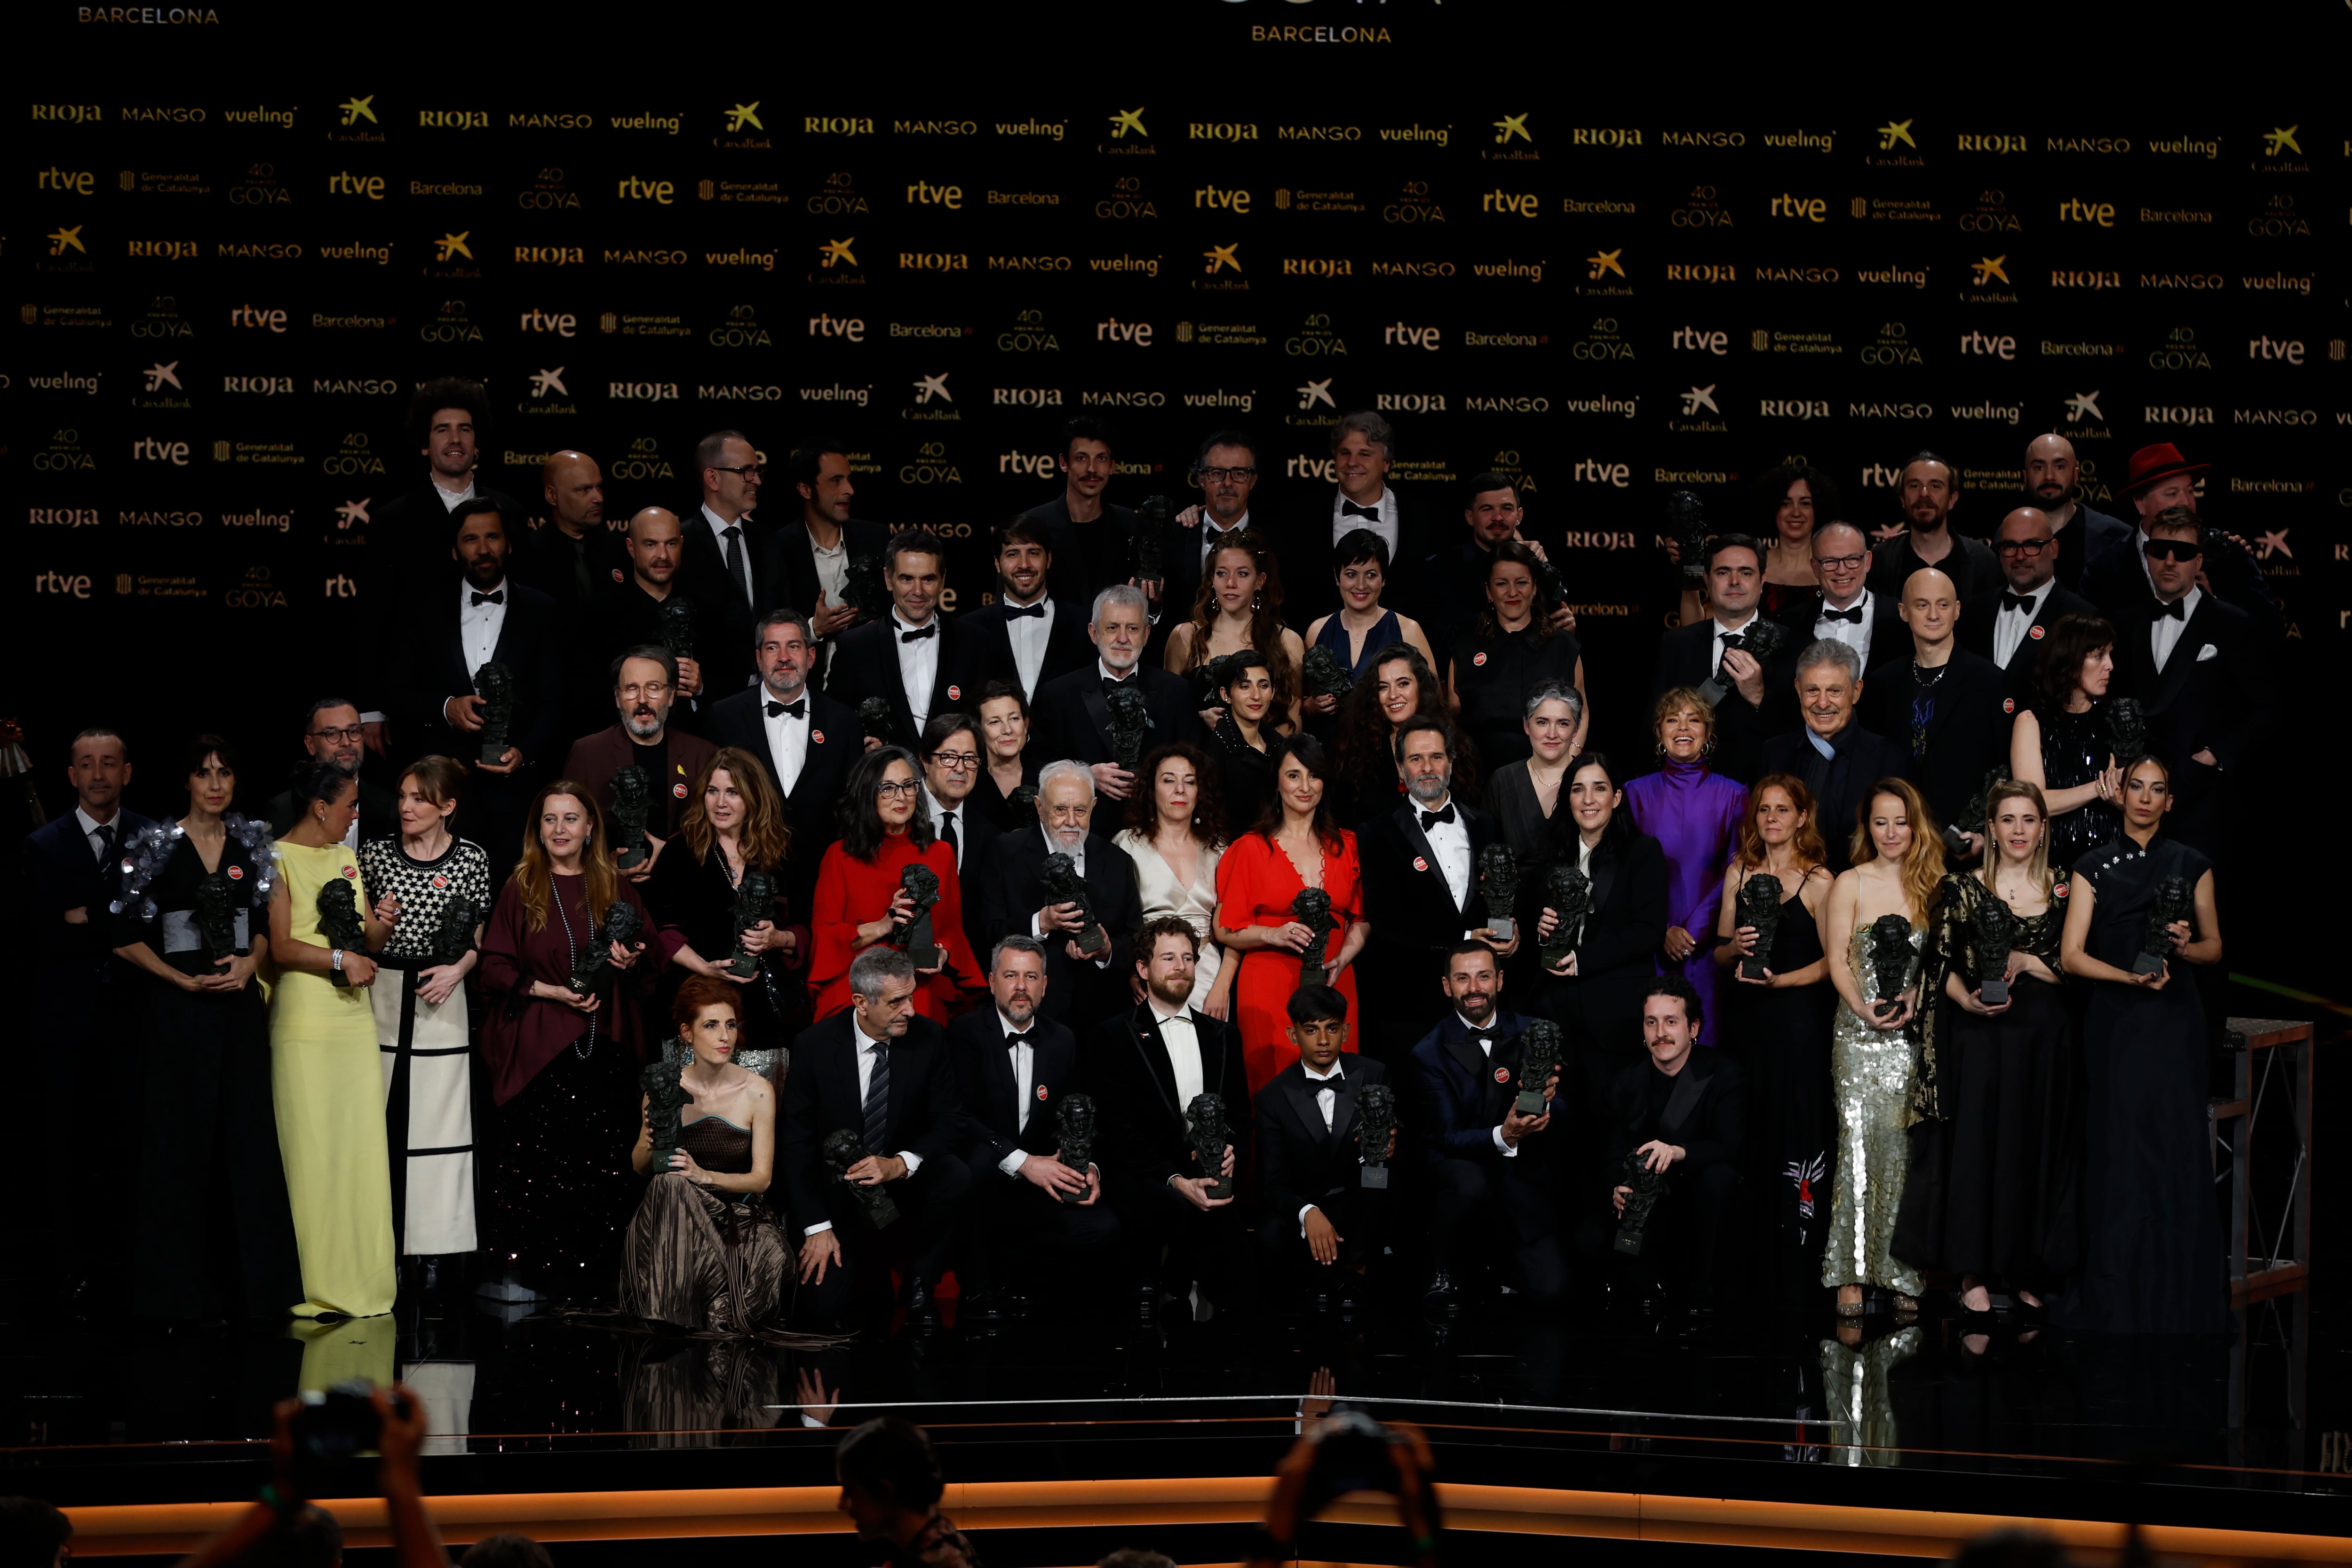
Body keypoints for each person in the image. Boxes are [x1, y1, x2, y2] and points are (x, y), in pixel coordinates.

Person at [110, 735, 298, 1322]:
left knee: (246, 1145)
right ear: (186, 782)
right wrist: (176, 978)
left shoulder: (251, 844)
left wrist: (250, 962)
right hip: (177, 1013)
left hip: (238, 1012)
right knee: (177, 1147)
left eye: (224, 773)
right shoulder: (156, 847)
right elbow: (120, 935)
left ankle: (256, 1293)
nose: (215, 784)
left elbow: (267, 923)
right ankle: (174, 1294)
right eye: (203, 773)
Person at [1894, 781, 2080, 1318]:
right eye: (2007, 820)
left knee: (2033, 1149)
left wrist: (2028, 963)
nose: (2018, 830)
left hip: (2046, 1045)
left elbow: (2082, 965)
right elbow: (1937, 966)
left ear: (2042, 828)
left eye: (2027, 820)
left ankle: (2025, 1270)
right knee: (1978, 1149)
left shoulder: (2066, 885)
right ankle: (1971, 1272)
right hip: (1980, 1039)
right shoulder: (1959, 887)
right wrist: (1967, 1003)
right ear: (1991, 830)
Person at [477, 782, 668, 1298]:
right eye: (549, 819)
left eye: (570, 819)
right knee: (541, 1171)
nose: (559, 830)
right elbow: (493, 965)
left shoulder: (615, 887)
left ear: (590, 829)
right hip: (540, 1048)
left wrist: (630, 958)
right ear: (537, 829)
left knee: (600, 1168)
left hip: (604, 1045)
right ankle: (534, 1280)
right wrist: (551, 991)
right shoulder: (522, 887)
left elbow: (650, 957)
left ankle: (596, 1280)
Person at [2056, 756, 2226, 1334]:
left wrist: (2181, 946)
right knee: (2119, 1147)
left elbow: (2213, 950)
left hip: (2175, 1022)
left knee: (2174, 1146)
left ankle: (2175, 1291)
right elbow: (2071, 955)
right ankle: (2115, 1293)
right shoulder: (2091, 865)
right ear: (2120, 794)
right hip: (2116, 1020)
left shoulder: (2191, 864)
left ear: (2170, 801)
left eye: (2157, 789)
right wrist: (2126, 978)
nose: (2145, 798)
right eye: (2136, 787)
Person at [24, 726, 154, 1299]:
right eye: (87, 764)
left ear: (127, 772)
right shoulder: (42, 845)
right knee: (69, 1146)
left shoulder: (155, 837)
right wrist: (105, 920)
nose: (99, 774)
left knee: (139, 1145)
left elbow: (159, 924)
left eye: (110, 764)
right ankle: (72, 1266)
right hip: (67, 1024)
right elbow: (36, 933)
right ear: (72, 775)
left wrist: (86, 917)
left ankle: (137, 1265)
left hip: (142, 1018)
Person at [268, 760, 398, 1318]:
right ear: (321, 807)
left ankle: (368, 1284)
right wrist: (342, 957)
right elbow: (280, 947)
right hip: (306, 1021)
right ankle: (320, 1283)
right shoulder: (276, 857)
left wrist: (382, 924)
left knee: (361, 1148)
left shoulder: (346, 858)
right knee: (315, 1152)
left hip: (352, 1020)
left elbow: (365, 934)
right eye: (349, 805)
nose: (355, 815)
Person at [783, 948, 971, 1325]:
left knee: (956, 1174)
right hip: (841, 1200)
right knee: (823, 1312)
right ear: (861, 1003)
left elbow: (950, 1121)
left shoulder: (929, 1037)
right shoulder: (815, 1047)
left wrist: (900, 1164)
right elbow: (795, 1142)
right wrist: (817, 1228)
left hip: (904, 1193)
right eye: (897, 1001)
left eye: (911, 997)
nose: (911, 1010)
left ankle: (920, 1279)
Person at [357, 756, 493, 1272]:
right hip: (383, 993)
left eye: (419, 798)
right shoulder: (375, 855)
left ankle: (436, 1251)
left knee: (442, 1124)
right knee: (381, 1119)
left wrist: (458, 969)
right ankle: (377, 1242)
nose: (406, 807)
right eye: (404, 796)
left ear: (448, 807)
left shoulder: (472, 860)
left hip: (444, 991)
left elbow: (477, 937)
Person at [1818, 777, 1944, 1317]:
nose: (1890, 832)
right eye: (1879, 822)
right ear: (1866, 827)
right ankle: (1850, 1270)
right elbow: (1836, 961)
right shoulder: (1848, 881)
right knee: (1857, 1148)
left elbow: (1941, 959)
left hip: (1912, 1039)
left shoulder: (1936, 882)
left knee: (1904, 1154)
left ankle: (1902, 1272)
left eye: (1899, 821)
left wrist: (1917, 994)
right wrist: (1860, 1008)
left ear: (1914, 825)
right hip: (1857, 1037)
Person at [1710, 775, 1837, 1308]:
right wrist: (1733, 948)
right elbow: (1716, 953)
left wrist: (1780, 981)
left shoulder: (1819, 881)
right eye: (1763, 810)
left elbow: (1835, 963)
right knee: (1747, 1126)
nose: (1771, 819)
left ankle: (1796, 1257)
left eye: (1782, 809)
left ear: (1802, 816)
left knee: (1793, 1124)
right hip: (1745, 1021)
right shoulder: (1737, 870)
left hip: (1795, 1021)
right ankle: (1747, 1260)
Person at [388, 499, 564, 883]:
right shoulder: (424, 610)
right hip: (441, 792)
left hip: (516, 794)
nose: (483, 549)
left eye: (492, 537)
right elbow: (397, 692)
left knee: (513, 895)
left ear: (509, 545)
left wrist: (525, 752)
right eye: (471, 539)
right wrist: (446, 707)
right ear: (455, 550)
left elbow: (554, 700)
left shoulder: (542, 610)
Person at [945, 935, 1120, 1320]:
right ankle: (980, 1289)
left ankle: (1038, 1286)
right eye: (1011, 976)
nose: (1021, 987)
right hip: (985, 1178)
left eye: (1031, 976)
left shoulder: (1063, 1040)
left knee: (1101, 1227)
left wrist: (1086, 1165)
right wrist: (1022, 1162)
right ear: (992, 982)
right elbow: (957, 1118)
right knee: (971, 1167)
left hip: (1042, 1183)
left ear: (1045, 985)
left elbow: (1080, 1116)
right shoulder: (964, 1034)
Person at [1090, 918, 1257, 1320]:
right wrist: (1176, 1181)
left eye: (1187, 957)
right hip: (1145, 1174)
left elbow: (1239, 1114)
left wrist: (1230, 1152)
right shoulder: (1113, 1035)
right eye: (1168, 958)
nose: (1180, 966)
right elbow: (1118, 1131)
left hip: (1210, 1173)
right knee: (1170, 1215)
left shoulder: (1224, 1036)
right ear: (1143, 970)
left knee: (1245, 1283)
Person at [357, 377, 521, 751]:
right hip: (419, 701)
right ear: (425, 443)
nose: (455, 439)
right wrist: (371, 711)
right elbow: (370, 619)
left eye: (465, 429)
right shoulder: (391, 520)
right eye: (442, 430)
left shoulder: (510, 513)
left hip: (503, 708)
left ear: (477, 443)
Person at [621, 976, 786, 1334]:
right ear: (687, 1032)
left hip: (737, 1219)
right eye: (711, 1025)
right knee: (668, 1183)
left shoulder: (757, 1091)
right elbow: (638, 1168)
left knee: (732, 1309)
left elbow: (762, 1180)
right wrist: (651, 1140)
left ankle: (682, 1311)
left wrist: (704, 1176)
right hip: (673, 1220)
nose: (724, 1037)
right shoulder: (664, 1087)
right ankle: (671, 1319)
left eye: (730, 1025)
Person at [2109, 508, 2276, 859]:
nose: (2170, 561)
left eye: (2182, 553)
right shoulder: (2121, 625)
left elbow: (2267, 709)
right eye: (2160, 550)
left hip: (2203, 805)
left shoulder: (2235, 625)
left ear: (2198, 560)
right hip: (2130, 805)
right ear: (2147, 555)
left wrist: (2214, 756)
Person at [1406, 942, 1565, 1312]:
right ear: (1447, 986)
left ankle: (1507, 1261)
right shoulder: (1426, 1053)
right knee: (1470, 1182)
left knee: (1554, 1291)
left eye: (1483, 976)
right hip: (1458, 1168)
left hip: (1520, 1172)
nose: (1474, 988)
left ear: (1500, 980)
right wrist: (1504, 1135)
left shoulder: (1537, 1034)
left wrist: (1549, 1106)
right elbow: (1447, 1134)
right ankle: (1442, 1268)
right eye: (1463, 978)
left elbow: (1569, 1109)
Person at [1216, 735, 1369, 1094]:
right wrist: (1272, 934)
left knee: (1339, 1091)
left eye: (1314, 776)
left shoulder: (1348, 845)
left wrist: (1342, 959)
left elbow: (1362, 919)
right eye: (1294, 775)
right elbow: (1225, 929)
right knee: (1272, 1090)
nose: (1305, 786)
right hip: (1267, 982)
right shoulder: (1250, 848)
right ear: (1277, 782)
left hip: (1335, 981)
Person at [1357, 718, 1514, 1065]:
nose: (1427, 768)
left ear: (1451, 762)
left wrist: (1508, 929)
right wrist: (1467, 937)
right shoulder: (1376, 833)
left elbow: (1499, 897)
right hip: (1412, 1000)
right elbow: (1386, 920)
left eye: (1436, 757)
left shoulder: (1485, 824)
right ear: (1400, 768)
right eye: (1416, 759)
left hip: (1481, 1001)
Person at [1535, 752, 1670, 1156]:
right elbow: (1537, 931)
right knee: (1555, 1133)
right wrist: (1541, 931)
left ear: (1617, 797)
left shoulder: (1642, 852)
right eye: (1578, 789)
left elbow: (1648, 933)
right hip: (1556, 1012)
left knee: (1609, 1133)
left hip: (1615, 1019)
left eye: (1599, 788)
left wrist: (1582, 959)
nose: (1588, 799)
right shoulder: (1551, 852)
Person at [702, 610, 860, 917]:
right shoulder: (723, 717)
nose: (784, 657)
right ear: (759, 659)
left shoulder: (844, 721)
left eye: (794, 647)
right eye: (773, 648)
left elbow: (851, 802)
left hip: (823, 877)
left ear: (812, 656)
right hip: (746, 878)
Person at [806, 747, 982, 1023]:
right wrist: (884, 925)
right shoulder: (839, 856)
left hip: (919, 986)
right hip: (861, 990)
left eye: (908, 786)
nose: (901, 797)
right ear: (868, 794)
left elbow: (951, 931)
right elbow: (825, 938)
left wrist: (942, 954)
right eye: (887, 788)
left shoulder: (941, 853)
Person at [1603, 979, 1748, 1309]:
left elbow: (1730, 1146)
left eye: (1671, 1022)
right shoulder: (1625, 1082)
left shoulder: (1725, 1075)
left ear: (1693, 1027)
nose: (1660, 1033)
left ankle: (1704, 1296)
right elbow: (1612, 1151)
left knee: (1720, 1179)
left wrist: (1679, 1152)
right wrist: (1617, 1186)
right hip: (1646, 1202)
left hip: (1699, 1193)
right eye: (1651, 1022)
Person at [644, 748, 802, 1048]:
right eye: (713, 791)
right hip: (695, 997)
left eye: (733, 792)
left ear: (753, 797)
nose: (720, 803)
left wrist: (779, 938)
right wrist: (704, 967)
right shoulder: (681, 850)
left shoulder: (780, 852)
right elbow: (658, 926)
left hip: (765, 1007)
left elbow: (804, 924)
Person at [1254, 985, 1391, 1310]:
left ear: (1346, 1031)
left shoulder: (1373, 1074)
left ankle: (1361, 1272)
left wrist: (1388, 1151)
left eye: (1332, 1028)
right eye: (1311, 1030)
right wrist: (1307, 1212)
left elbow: (1384, 1164)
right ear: (1293, 1034)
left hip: (1362, 1201)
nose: (1324, 1040)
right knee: (1269, 1233)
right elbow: (1272, 1181)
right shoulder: (1272, 1097)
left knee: (1383, 1182)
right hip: (1307, 1206)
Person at [978, 760, 1144, 1028]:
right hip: (1031, 1016)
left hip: (1103, 1016)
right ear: (1039, 807)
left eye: (1080, 810)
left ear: (1093, 808)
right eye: (1060, 810)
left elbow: (1135, 939)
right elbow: (988, 933)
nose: (1070, 821)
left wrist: (1107, 950)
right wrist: (1041, 923)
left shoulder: (1118, 861)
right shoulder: (1003, 854)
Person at [1624, 689, 1748, 1047]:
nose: (1683, 727)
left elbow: (1735, 868)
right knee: (1654, 1046)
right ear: (1659, 732)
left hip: (1706, 949)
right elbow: (1625, 873)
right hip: (1648, 945)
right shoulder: (1633, 793)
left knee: (1703, 1048)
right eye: (1672, 719)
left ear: (1708, 734)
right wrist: (1661, 929)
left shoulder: (1734, 794)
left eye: (1694, 719)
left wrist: (1692, 932)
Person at [1860, 568, 2008, 855]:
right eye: (1922, 605)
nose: (1933, 615)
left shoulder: (1990, 682)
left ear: (1957, 610)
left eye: (1943, 604)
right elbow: (1871, 765)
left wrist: (1981, 830)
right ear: (1903, 612)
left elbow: (2002, 768)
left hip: (1964, 844)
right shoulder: (1882, 683)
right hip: (1896, 843)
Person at [825, 529, 991, 754]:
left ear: (943, 580)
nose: (918, 591)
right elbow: (834, 724)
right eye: (907, 579)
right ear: (888, 579)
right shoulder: (854, 648)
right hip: (883, 782)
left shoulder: (975, 643)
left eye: (928, 579)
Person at [1649, 534, 1794, 784]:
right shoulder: (1676, 645)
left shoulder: (1794, 645)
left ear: (1763, 581)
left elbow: (1800, 734)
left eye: (1746, 573)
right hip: (1688, 791)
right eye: (1723, 573)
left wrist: (1760, 696)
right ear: (1707, 579)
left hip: (1765, 793)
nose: (1735, 582)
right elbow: (1654, 725)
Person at [1757, 641, 1912, 874]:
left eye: (1835, 691)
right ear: (1798, 689)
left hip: (1862, 898)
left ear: (1856, 691)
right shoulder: (1774, 754)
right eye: (1812, 690)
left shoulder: (1890, 760)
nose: (1822, 703)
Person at [1030, 587, 1196, 803]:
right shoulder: (1058, 695)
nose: (1123, 638)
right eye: (1112, 628)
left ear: (1146, 635)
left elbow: (1194, 763)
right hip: (1085, 827)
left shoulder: (1176, 692)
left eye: (1133, 629)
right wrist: (1085, 776)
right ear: (1094, 633)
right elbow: (1038, 764)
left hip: (1156, 823)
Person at [2082, 442, 2274, 625]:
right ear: (2140, 503)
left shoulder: (2228, 553)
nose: (2185, 502)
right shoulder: (2104, 570)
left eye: (2190, 492)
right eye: (2172, 494)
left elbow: (2268, 628)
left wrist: (2213, 605)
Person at [1282, 410, 1438, 627]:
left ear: (1386, 463)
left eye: (1365, 454)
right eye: (1345, 453)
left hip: (1403, 652)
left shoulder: (1423, 518)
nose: (1352, 462)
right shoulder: (1302, 517)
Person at [561, 645, 718, 858]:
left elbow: (718, 834)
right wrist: (606, 868)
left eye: (654, 687)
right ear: (618, 698)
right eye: (632, 688)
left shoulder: (703, 755)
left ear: (671, 696)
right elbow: (566, 832)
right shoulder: (588, 753)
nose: (642, 699)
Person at [515, 449, 628, 737]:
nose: (598, 498)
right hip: (549, 711)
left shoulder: (621, 552)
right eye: (584, 490)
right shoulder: (526, 558)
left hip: (613, 709)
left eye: (599, 487)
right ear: (552, 496)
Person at [1113, 742, 1232, 1014]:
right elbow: (1117, 919)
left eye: (1189, 782)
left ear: (1200, 792)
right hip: (1148, 972)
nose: (1180, 790)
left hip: (1207, 974)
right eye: (1169, 780)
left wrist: (1222, 986)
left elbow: (1235, 928)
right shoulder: (1126, 844)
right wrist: (1133, 970)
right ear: (1152, 790)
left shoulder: (1220, 849)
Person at [1448, 543, 1587, 770]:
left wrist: (1569, 761)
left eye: (1521, 582)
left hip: (1549, 773)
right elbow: (1452, 719)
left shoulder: (1563, 646)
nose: (1512, 592)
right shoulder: (1466, 648)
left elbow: (1582, 712)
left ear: (1534, 588)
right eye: (1502, 584)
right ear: (1489, 592)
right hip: (1478, 778)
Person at [588, 507, 725, 729]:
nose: (663, 555)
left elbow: (731, 687)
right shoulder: (599, 615)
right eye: (651, 544)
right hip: (621, 744)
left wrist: (701, 687)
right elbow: (586, 696)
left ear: (681, 544)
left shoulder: (709, 609)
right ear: (631, 548)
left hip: (695, 742)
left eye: (671, 544)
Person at [1423, 472, 1573, 671]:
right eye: (1487, 509)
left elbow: (1561, 627)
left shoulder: (1537, 564)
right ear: (1470, 516)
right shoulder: (1440, 568)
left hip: (1534, 677)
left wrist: (1567, 630)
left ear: (1519, 516)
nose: (1498, 518)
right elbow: (1437, 642)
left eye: (1507, 508)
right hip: (1467, 680)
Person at [2008, 613, 2124, 869]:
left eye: (2110, 655)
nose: (2110, 666)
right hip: (2051, 865)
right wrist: (2098, 788)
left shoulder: (2117, 720)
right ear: (2070, 661)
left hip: (2113, 863)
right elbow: (2032, 802)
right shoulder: (2031, 722)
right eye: (2098, 656)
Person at [1165, 528, 1306, 727]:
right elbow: (1168, 715)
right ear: (1212, 580)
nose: (1231, 583)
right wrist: (1200, 719)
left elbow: (1293, 723)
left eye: (1242, 574)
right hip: (1199, 754)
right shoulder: (1186, 637)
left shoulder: (1287, 641)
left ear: (1260, 581)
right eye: (1222, 573)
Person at [774, 436, 889, 681]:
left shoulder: (876, 539)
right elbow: (769, 627)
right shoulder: (778, 548)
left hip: (870, 684)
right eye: (836, 481)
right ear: (806, 489)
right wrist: (814, 629)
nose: (849, 490)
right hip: (805, 687)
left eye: (848, 479)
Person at [1329, 644, 1475, 825]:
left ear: (1421, 686)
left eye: (1403, 684)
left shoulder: (1455, 744)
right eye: (1383, 687)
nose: (1393, 695)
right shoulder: (1358, 751)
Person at [1968, 506, 2096, 710]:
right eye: (2010, 546)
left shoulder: (2084, 619)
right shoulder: (1972, 613)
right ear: (2000, 553)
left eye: (2032, 545)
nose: (2020, 556)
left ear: (2054, 549)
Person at [680, 428, 778, 689]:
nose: (756, 480)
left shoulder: (769, 542)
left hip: (767, 696)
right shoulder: (679, 543)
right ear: (713, 478)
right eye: (746, 471)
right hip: (704, 702)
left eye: (758, 472)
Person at [1021, 414, 1143, 618]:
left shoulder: (1132, 525)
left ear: (1112, 466)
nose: (1092, 469)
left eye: (1101, 459)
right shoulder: (1032, 527)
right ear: (1063, 463)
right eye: (1081, 458)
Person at [1303, 530, 1437, 712]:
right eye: (1351, 574)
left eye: (1371, 575)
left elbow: (1433, 699)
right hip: (1329, 738)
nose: (1361, 585)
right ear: (1337, 576)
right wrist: (1313, 705)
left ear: (1383, 579)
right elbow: (1304, 702)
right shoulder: (1317, 631)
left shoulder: (1408, 630)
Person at [1864, 451, 2000, 631]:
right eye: (1914, 486)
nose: (1924, 494)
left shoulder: (1983, 561)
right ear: (1903, 499)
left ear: (1952, 500)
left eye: (1935, 486)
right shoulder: (1881, 560)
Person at [966, 518, 1090, 703]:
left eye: (1033, 553)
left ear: (1048, 559)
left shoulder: (1085, 625)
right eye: (1013, 554)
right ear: (998, 564)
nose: (1024, 565)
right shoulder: (969, 630)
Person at [833, 1417, 984, 1568]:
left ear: (886, 1492)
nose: (842, 1504)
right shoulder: (945, 1539)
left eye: (850, 1491)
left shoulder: (930, 1561)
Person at [1771, 521, 1901, 677]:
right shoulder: (1792, 622)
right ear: (1815, 568)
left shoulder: (1898, 618)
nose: (1842, 571)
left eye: (1852, 559)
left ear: (1867, 562)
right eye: (1830, 562)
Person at [262, 699, 397, 845]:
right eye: (332, 734)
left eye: (353, 731)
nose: (346, 742)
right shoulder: (282, 810)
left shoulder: (392, 809)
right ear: (310, 745)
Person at [1167, 428, 1265, 624]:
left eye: (1239, 473)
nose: (1227, 483)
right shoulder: (1174, 536)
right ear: (1201, 479)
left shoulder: (1273, 541)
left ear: (1252, 481)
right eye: (1217, 473)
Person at [1481, 681, 1584, 865]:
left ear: (1575, 729)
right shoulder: (1503, 782)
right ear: (1527, 726)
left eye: (1563, 723)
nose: (1552, 734)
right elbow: (1488, 854)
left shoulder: (1591, 780)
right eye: (1542, 722)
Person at [2021, 433, 2131, 598]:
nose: (2049, 476)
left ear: (2076, 474)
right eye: (2039, 468)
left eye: (2060, 467)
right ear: (2025, 477)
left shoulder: (2117, 537)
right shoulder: (2008, 537)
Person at [1204, 649, 1292, 830]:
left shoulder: (1279, 745)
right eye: (1245, 687)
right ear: (1225, 694)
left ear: (1273, 692)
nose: (1256, 696)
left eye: (1264, 686)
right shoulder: (1214, 750)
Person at [967, 682, 1041, 837]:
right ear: (979, 730)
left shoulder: (1049, 778)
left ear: (1026, 725)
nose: (1007, 730)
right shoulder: (968, 782)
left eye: (1014, 719)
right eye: (995, 722)